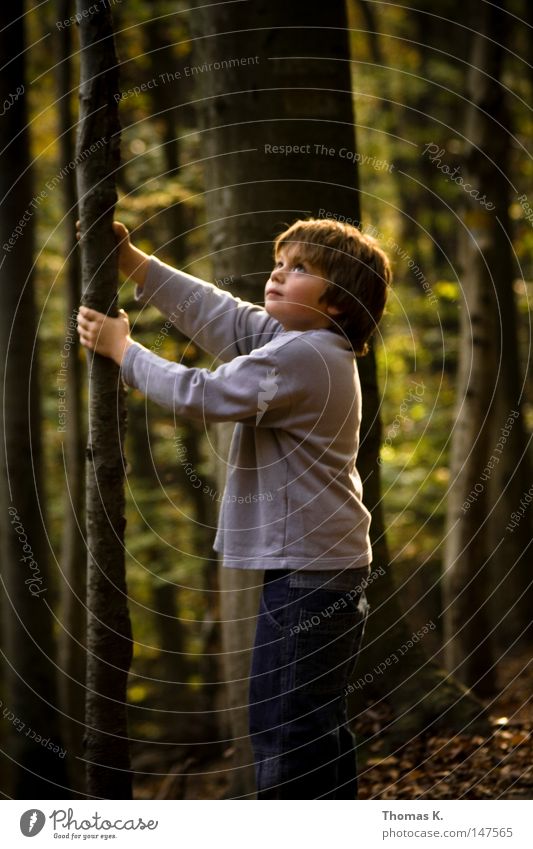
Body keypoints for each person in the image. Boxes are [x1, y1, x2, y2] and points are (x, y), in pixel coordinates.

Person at [77, 216, 392, 799]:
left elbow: (205, 394)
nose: (278, 273)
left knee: (284, 731)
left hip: (310, 576)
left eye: (301, 269)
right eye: (280, 261)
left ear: (340, 303)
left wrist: (123, 349)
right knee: (313, 727)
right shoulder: (295, 342)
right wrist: (133, 263)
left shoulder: (304, 356)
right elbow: (217, 312)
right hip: (318, 567)